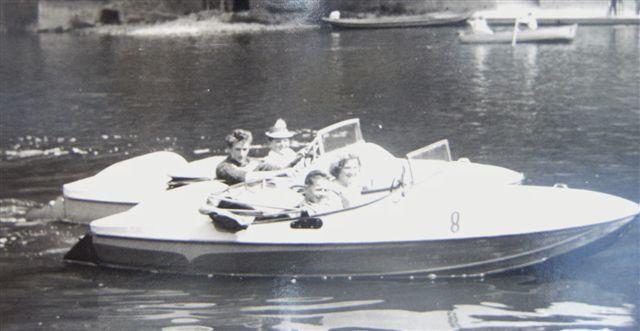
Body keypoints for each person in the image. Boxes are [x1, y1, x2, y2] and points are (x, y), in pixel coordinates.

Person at [215, 129, 292, 185]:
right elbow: (246, 177)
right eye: (237, 149)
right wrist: (280, 172)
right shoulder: (223, 168)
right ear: (229, 149)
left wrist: (289, 170)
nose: (241, 154)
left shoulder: (252, 162)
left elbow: (281, 170)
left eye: (245, 149)